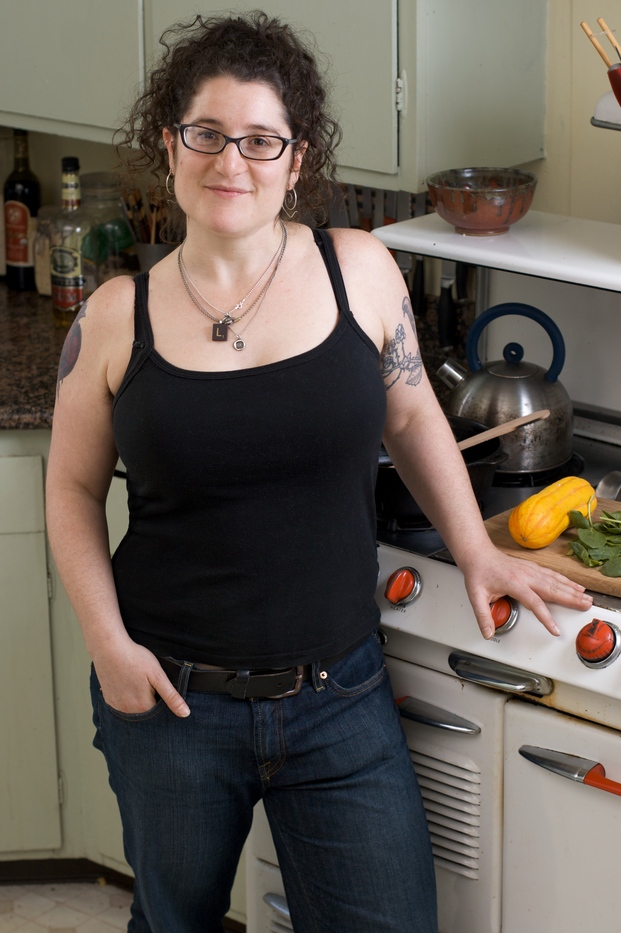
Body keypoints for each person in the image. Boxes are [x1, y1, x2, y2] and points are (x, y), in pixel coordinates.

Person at [45, 11, 593, 933]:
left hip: (339, 695)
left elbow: (411, 414)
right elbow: (68, 488)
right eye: (207, 133)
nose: (232, 161)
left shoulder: (360, 272)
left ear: (296, 160)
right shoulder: (112, 316)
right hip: (169, 694)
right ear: (168, 145)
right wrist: (107, 645)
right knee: (173, 921)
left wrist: (476, 548)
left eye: (261, 140)